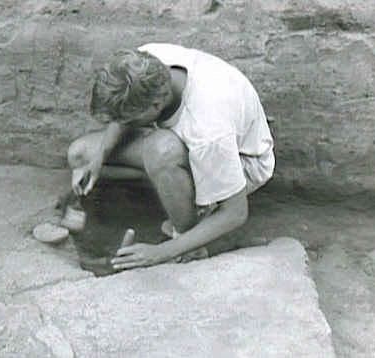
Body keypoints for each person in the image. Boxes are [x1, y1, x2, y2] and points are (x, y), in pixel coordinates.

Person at [67, 43, 275, 270]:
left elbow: (235, 213)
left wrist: (158, 254)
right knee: (80, 155)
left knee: (161, 150)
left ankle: (188, 241)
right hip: (186, 144)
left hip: (243, 163)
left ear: (156, 104)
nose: (125, 126)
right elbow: (121, 117)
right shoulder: (144, 62)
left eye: (130, 121)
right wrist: (99, 158)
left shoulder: (208, 131)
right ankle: (171, 186)